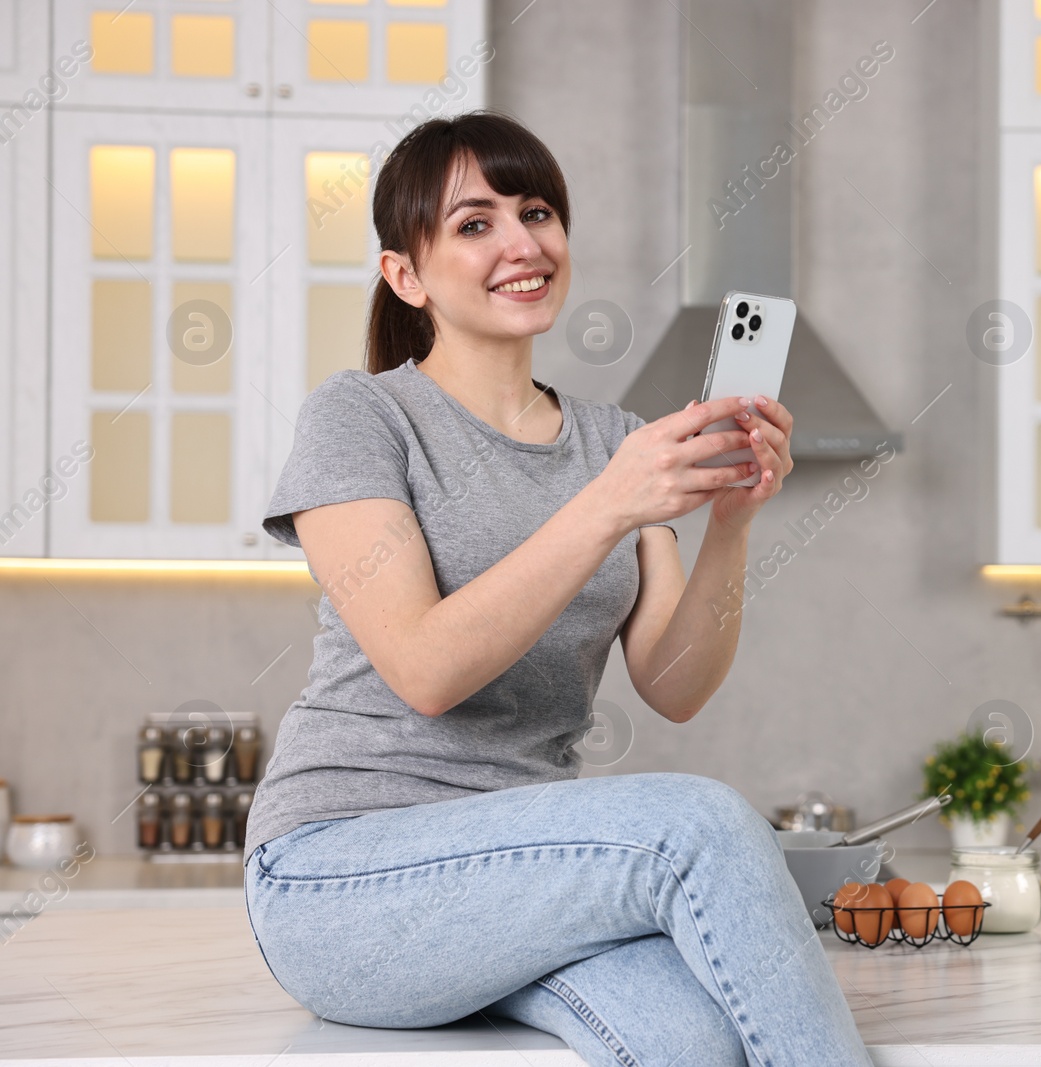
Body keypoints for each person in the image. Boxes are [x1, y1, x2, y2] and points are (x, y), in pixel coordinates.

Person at [241, 111, 873, 1067]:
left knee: (693, 1040)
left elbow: (677, 683)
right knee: (697, 823)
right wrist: (608, 505)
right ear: (404, 275)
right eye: (474, 223)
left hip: (524, 881)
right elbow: (423, 667)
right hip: (339, 876)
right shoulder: (362, 416)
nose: (522, 243)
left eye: (536, 211)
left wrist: (732, 522)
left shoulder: (610, 440)